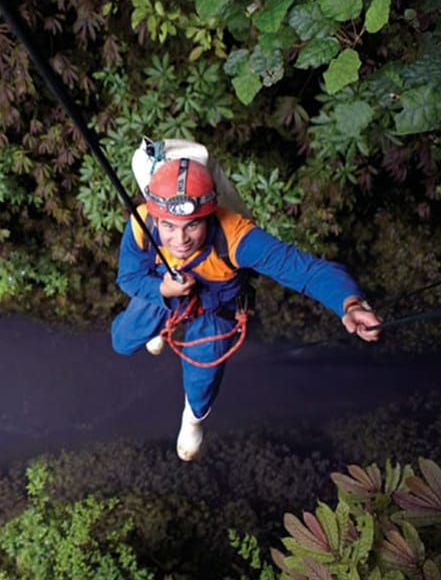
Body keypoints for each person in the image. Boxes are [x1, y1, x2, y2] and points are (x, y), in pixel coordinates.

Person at [110, 155, 382, 461]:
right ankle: (161, 324)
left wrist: (349, 302)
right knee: (122, 341)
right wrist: (161, 290)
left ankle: (193, 419)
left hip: (216, 309)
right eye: (169, 226)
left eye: (193, 224)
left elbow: (305, 271)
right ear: (156, 218)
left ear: (209, 215)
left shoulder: (237, 237)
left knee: (201, 380)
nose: (180, 239)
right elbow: (129, 277)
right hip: (163, 291)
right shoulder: (141, 224)